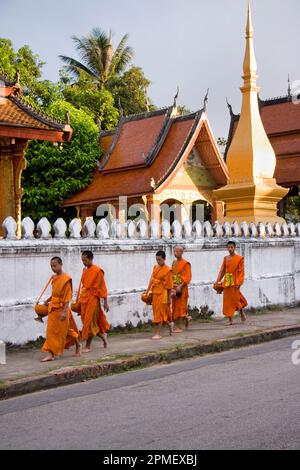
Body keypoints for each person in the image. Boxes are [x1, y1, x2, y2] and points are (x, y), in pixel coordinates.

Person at [40, 257, 81, 362]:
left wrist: (64, 312)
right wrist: (47, 300)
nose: (53, 268)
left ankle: (78, 345)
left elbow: (68, 297)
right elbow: (54, 293)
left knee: (68, 331)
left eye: (55, 265)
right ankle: (51, 353)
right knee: (51, 332)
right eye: (51, 266)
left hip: (62, 309)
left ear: (61, 264)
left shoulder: (66, 279)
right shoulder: (54, 278)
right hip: (53, 308)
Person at [78, 250, 110, 353]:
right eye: (82, 260)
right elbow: (83, 286)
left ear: (91, 259)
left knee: (90, 323)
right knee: (86, 322)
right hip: (84, 298)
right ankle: (103, 336)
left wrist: (105, 301)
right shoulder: (84, 270)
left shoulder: (97, 271)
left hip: (93, 300)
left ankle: (88, 346)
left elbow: (102, 287)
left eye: (85, 260)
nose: (84, 262)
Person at [215, 241, 248, 326]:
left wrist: (239, 282)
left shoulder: (239, 258)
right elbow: (222, 270)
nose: (230, 249)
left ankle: (241, 313)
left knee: (236, 299)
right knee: (228, 301)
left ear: (234, 248)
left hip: (235, 281)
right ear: (227, 248)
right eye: (228, 247)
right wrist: (217, 280)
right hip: (227, 281)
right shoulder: (226, 258)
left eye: (231, 247)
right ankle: (231, 319)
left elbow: (241, 271)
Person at [146, 250, 174, 340]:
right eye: (157, 260)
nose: (158, 262)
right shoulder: (155, 267)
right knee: (156, 313)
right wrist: (147, 292)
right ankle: (170, 325)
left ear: (164, 259)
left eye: (160, 260)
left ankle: (158, 333)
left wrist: (169, 298)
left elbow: (169, 286)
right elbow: (152, 279)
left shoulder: (168, 270)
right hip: (155, 293)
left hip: (163, 293)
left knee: (160, 313)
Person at [171, 246, 192, 333]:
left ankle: (179, 327)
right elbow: (172, 274)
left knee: (180, 306)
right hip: (174, 287)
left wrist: (180, 286)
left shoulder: (186, 263)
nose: (175, 253)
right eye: (174, 251)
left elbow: (188, 277)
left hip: (182, 288)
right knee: (175, 306)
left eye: (177, 251)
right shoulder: (174, 262)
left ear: (181, 252)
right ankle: (187, 318)